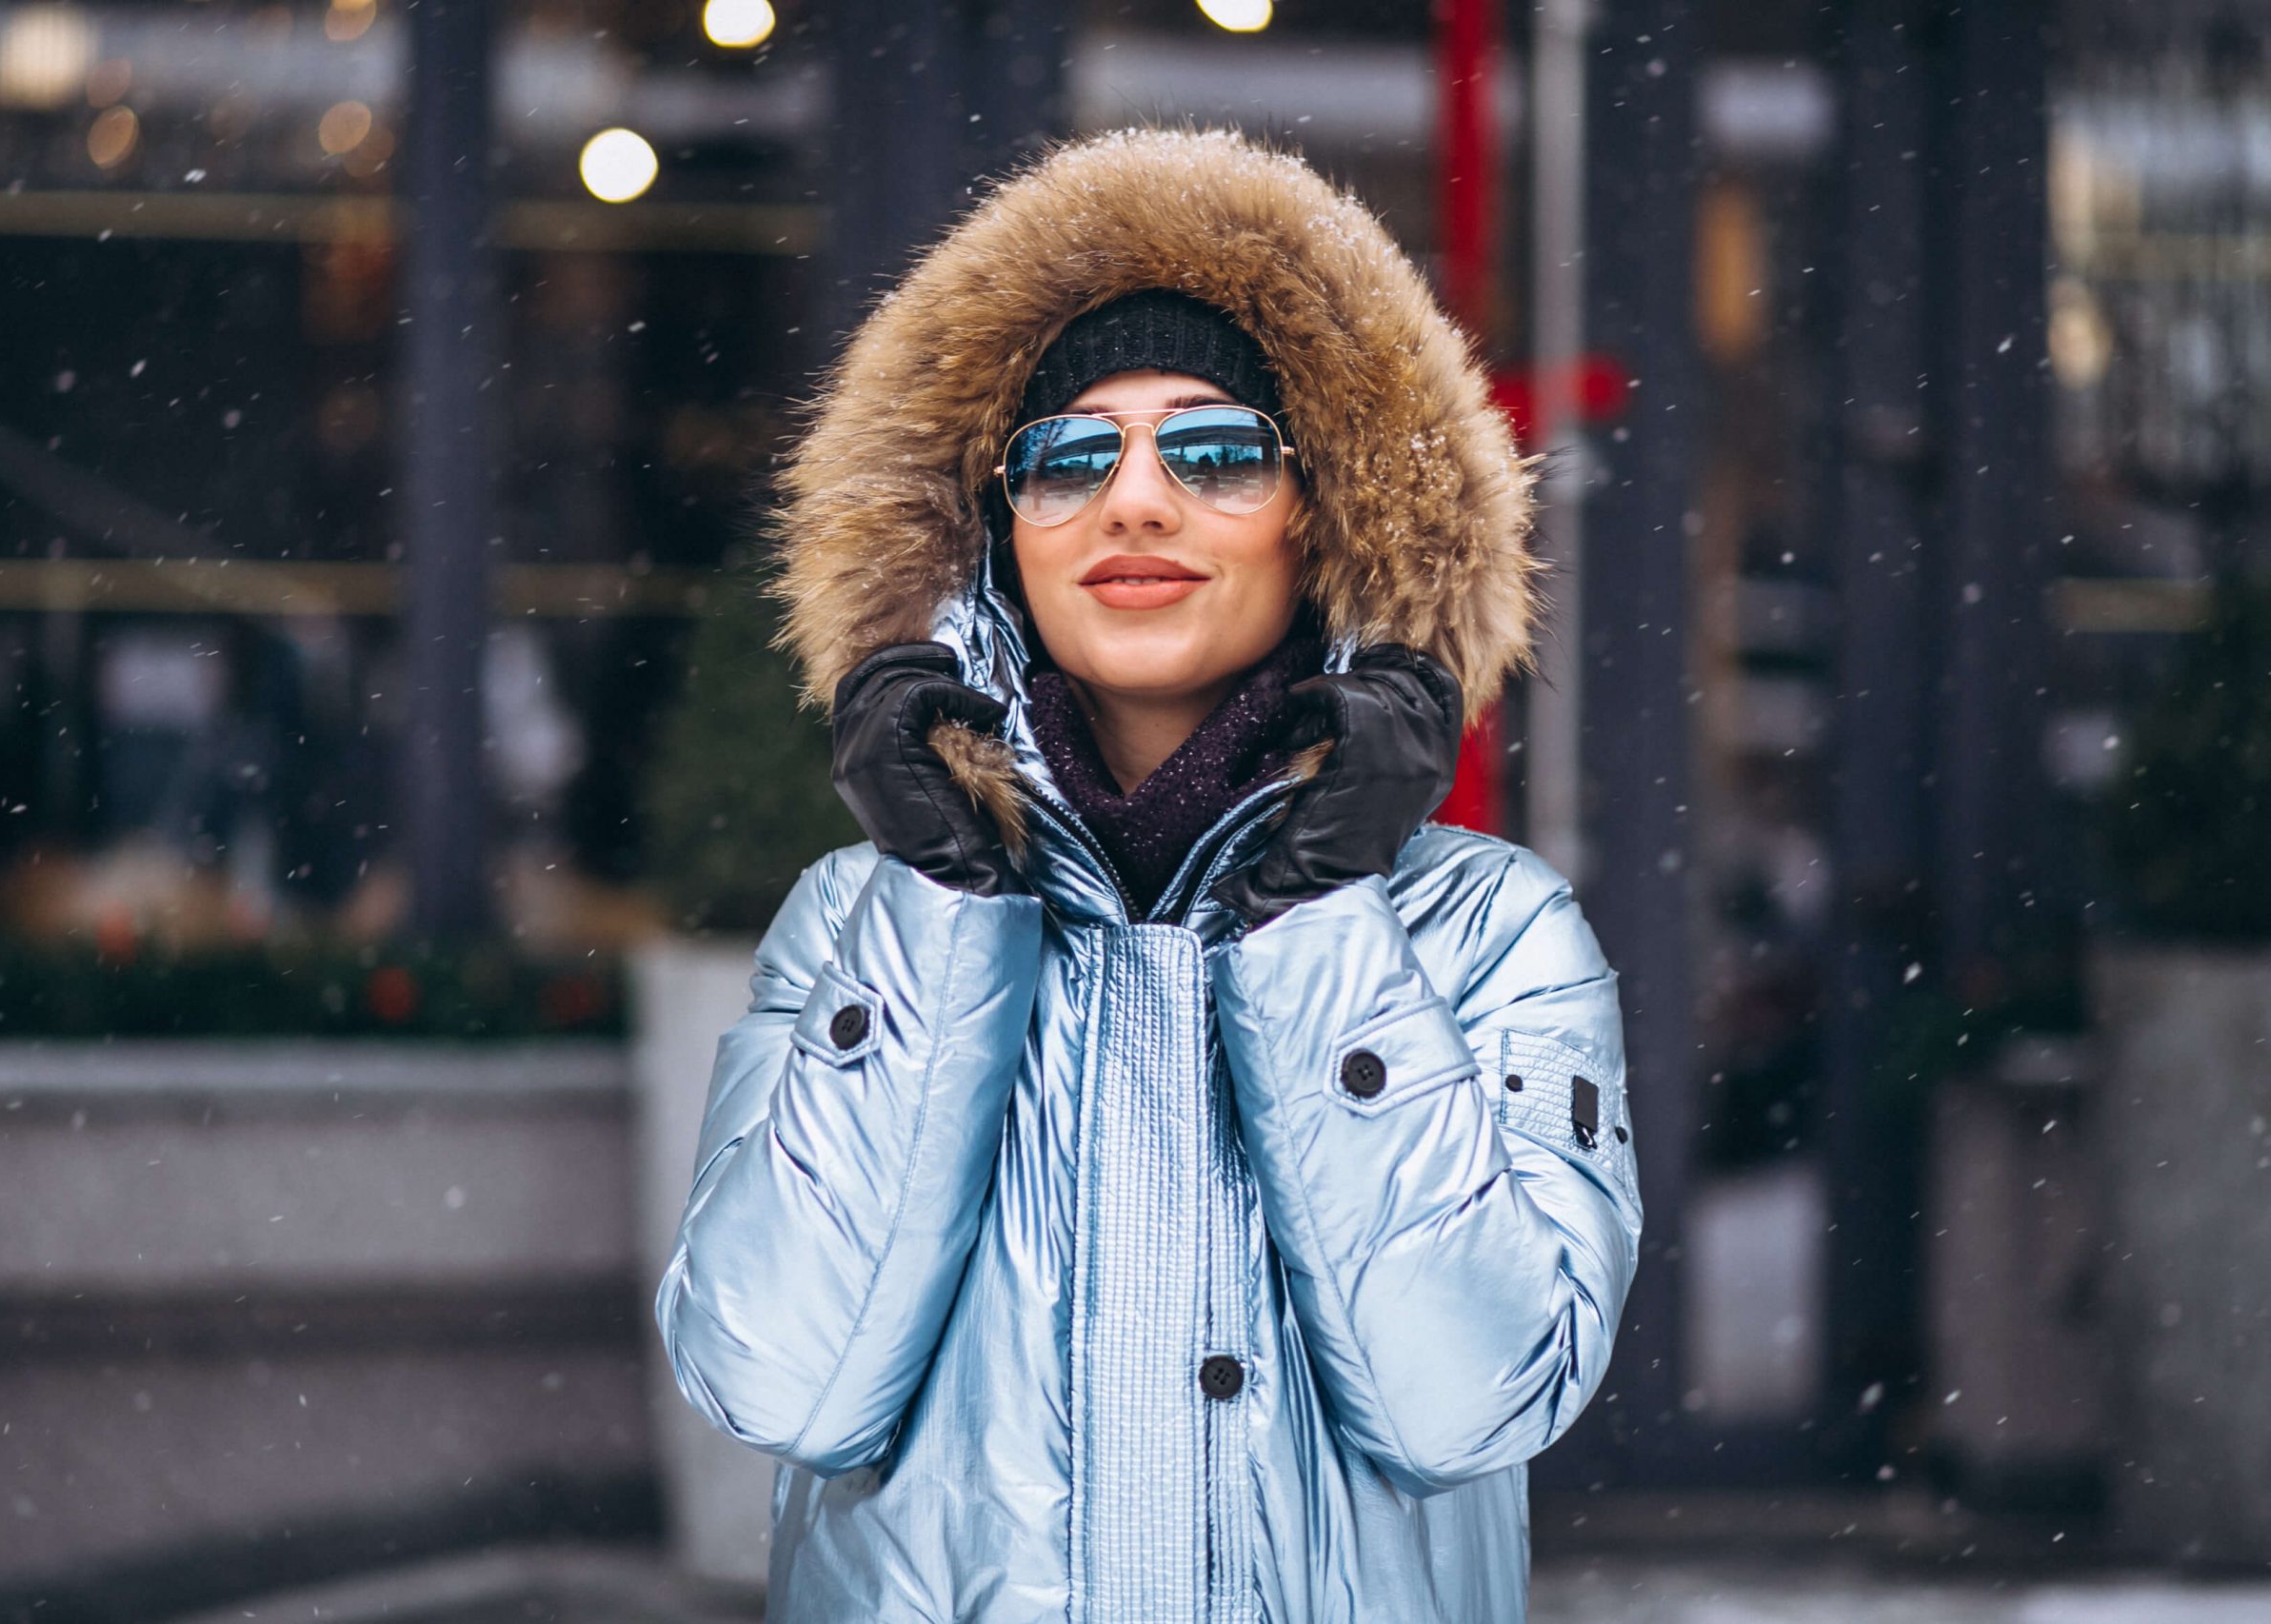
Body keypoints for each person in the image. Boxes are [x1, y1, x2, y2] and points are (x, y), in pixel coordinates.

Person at [655, 127, 1642, 1624]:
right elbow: (780, 1380)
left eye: (1216, 447)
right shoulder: (860, 921)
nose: (1133, 502)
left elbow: (1471, 1405)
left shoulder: (1489, 931)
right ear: (998, 532)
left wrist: (1320, 917)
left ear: (1325, 508)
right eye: (1067, 457)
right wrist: (943, 901)